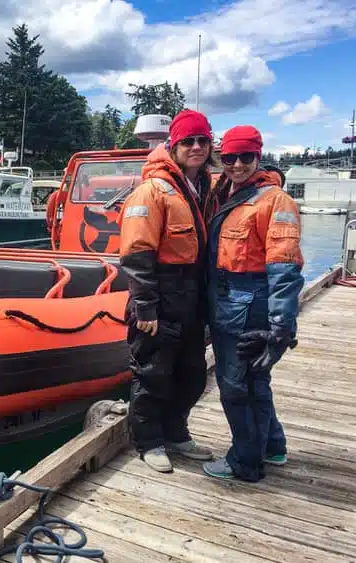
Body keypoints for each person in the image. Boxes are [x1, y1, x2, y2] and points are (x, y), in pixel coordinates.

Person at [202, 125, 304, 481]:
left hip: (248, 309)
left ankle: (244, 462)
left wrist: (280, 325)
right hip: (227, 302)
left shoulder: (276, 201)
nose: (238, 164)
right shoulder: (224, 192)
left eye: (246, 157)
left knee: (235, 387)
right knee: (256, 382)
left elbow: (285, 266)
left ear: (258, 157)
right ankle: (272, 446)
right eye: (230, 158)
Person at [117, 109, 215, 472]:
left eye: (202, 140)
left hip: (192, 298)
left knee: (191, 374)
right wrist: (145, 307)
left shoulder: (204, 186)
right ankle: (148, 441)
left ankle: (177, 434)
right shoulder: (153, 190)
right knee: (152, 373)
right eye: (188, 141)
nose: (196, 147)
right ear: (173, 146)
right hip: (160, 295)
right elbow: (137, 251)